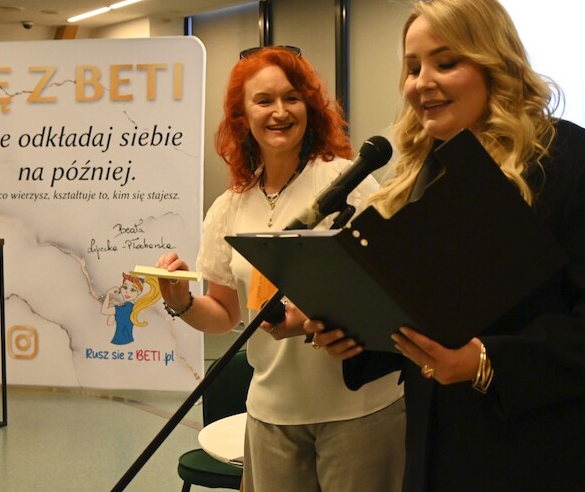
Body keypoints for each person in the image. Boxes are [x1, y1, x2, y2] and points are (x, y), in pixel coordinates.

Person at [305, 0, 585, 491]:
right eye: (412, 68)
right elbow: (426, 315)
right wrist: (359, 336)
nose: (422, 83)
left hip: (545, 456)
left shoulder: (582, 163)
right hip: (438, 454)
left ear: (496, 64)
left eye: (446, 63)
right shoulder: (421, 176)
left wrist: (487, 362)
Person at [156, 46, 405, 491]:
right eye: (264, 100)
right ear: (242, 116)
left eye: (292, 98)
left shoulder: (347, 183)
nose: (280, 112)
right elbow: (225, 314)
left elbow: (393, 288)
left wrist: (309, 319)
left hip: (359, 410)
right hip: (271, 415)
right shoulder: (229, 208)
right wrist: (182, 302)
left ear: (310, 107)